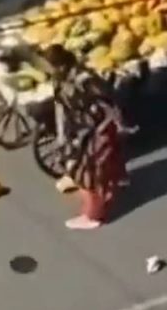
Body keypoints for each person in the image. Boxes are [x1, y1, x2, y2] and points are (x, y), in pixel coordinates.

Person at [43, 45, 130, 230]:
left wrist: (118, 123)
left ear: (60, 65)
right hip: (82, 128)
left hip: (99, 127)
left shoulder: (85, 80)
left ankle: (93, 215)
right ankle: (115, 182)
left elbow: (106, 102)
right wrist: (62, 136)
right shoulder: (60, 80)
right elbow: (62, 109)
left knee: (89, 173)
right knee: (101, 162)